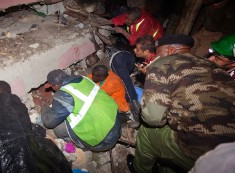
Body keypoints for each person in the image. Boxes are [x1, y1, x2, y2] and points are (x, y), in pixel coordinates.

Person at [127, 35, 235, 173]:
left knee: (147, 132)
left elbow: (153, 118)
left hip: (203, 150)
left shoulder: (163, 63)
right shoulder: (214, 67)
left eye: (158, 53)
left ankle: (139, 170)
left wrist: (154, 73)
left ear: (170, 51)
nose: (155, 58)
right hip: (228, 152)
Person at [41, 69, 121, 151]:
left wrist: (44, 107)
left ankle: (83, 147)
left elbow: (48, 122)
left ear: (56, 85)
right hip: (116, 122)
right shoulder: (83, 78)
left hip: (102, 141)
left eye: (52, 86)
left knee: (58, 129)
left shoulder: (64, 95)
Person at [93, 27, 141, 128]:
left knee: (126, 83)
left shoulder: (106, 61)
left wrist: (96, 34)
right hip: (129, 61)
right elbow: (99, 49)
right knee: (125, 82)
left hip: (118, 59)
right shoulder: (105, 59)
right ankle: (134, 113)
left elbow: (108, 42)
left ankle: (136, 114)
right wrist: (95, 36)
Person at [97, 7, 164, 46]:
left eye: (129, 20)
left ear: (136, 21)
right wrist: (101, 23)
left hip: (154, 37)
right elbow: (118, 19)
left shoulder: (146, 24)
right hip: (140, 30)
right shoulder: (131, 14)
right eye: (126, 18)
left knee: (142, 49)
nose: (126, 21)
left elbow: (136, 41)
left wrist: (122, 31)